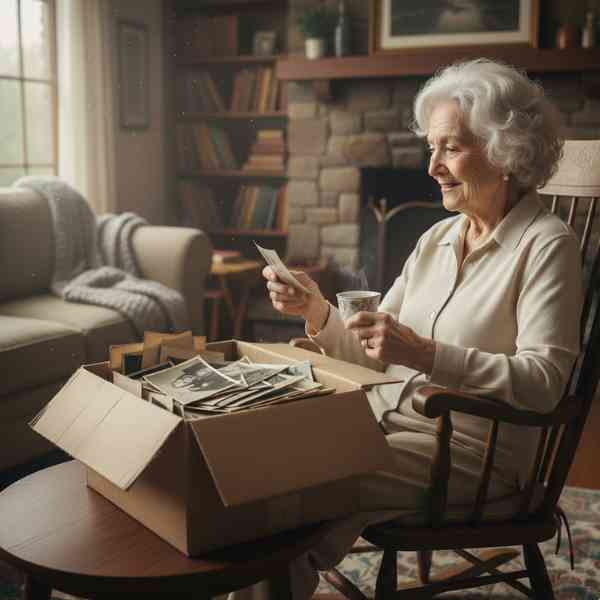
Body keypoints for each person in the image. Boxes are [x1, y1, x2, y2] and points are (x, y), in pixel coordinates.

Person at [229, 58, 583, 600]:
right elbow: (375, 354)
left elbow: (545, 382)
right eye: (432, 148)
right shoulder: (437, 238)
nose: (432, 167)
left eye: (452, 148)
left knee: (296, 489)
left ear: (505, 152)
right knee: (271, 459)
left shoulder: (545, 245)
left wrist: (423, 353)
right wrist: (316, 310)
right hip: (386, 423)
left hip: (472, 454)